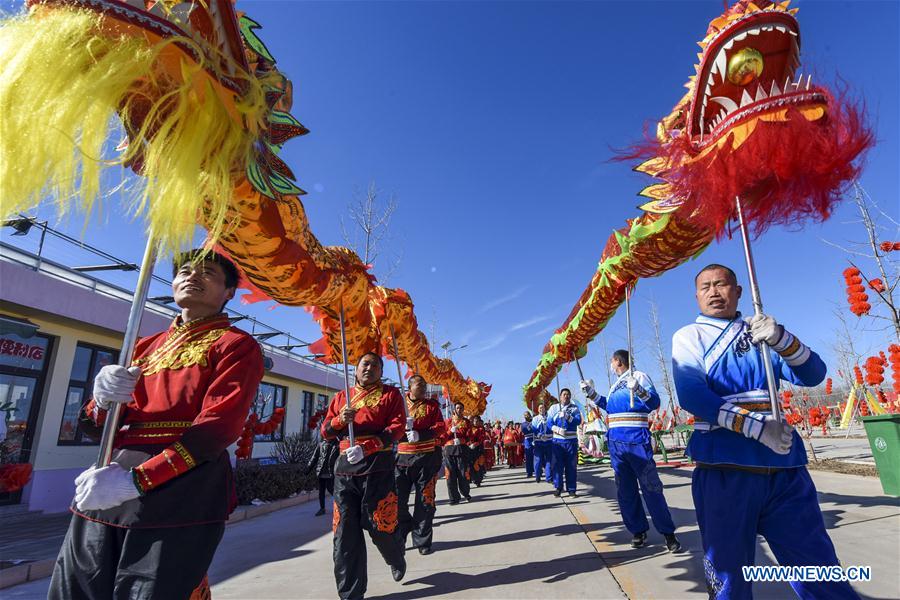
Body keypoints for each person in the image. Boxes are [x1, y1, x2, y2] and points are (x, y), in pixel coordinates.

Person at [50, 250, 264, 599]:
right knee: (76, 588)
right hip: (109, 480)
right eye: (185, 270)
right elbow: (95, 426)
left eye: (208, 272)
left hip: (184, 484)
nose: (192, 276)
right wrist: (101, 401)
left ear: (229, 293)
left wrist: (139, 480)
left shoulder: (236, 346)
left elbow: (216, 428)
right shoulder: (144, 346)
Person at [672, 264, 857, 599]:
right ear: (697, 296)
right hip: (725, 471)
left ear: (739, 291)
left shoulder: (762, 331)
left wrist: (781, 338)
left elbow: (813, 375)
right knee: (729, 578)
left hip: (785, 472)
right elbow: (691, 394)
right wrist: (756, 428)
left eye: (722, 284)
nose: (714, 292)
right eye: (706, 287)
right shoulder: (689, 337)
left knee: (820, 570)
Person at [321, 352, 407, 599]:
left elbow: (397, 427)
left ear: (381, 371)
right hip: (345, 471)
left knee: (381, 526)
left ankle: (396, 556)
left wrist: (368, 447)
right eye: (364, 364)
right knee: (344, 533)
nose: (369, 368)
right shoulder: (341, 397)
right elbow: (324, 432)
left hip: (377, 469)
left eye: (375, 365)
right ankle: (351, 593)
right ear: (355, 369)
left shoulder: (391, 395)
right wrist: (339, 420)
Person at [581, 350, 681, 552]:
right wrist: (591, 394)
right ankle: (638, 530)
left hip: (636, 439)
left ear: (618, 361)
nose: (610, 364)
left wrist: (640, 390)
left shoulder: (638, 376)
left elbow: (654, 403)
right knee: (625, 490)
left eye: (611, 361)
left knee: (651, 487)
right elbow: (609, 406)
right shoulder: (615, 385)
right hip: (616, 443)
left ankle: (668, 533)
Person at [395, 375, 446, 556]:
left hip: (425, 459)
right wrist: (402, 429)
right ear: (410, 386)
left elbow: (441, 427)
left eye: (425, 385)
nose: (424, 387)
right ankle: (403, 529)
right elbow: (389, 428)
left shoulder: (432, 406)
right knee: (396, 501)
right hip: (402, 461)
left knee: (425, 501)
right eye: (419, 384)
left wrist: (422, 434)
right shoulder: (399, 406)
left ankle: (422, 540)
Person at [546, 388, 581, 497]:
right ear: (560, 396)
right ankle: (558, 487)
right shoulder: (553, 408)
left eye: (568, 394)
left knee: (571, 466)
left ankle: (571, 489)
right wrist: (556, 429)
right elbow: (549, 423)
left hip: (571, 442)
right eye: (564, 394)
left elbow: (578, 421)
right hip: (558, 442)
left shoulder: (574, 408)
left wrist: (567, 416)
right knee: (557, 466)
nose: (566, 396)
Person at [443, 401, 471, 505]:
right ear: (454, 409)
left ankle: (465, 493)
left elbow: (469, 436)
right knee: (450, 476)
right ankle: (454, 498)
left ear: (463, 410)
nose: (459, 410)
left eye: (461, 408)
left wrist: (462, 439)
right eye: (457, 408)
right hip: (449, 451)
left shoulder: (467, 422)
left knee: (463, 474)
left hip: (462, 450)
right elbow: (442, 436)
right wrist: (450, 431)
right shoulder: (448, 422)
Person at [307, 437, 339, 516]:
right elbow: (314, 457)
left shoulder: (337, 445)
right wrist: (308, 468)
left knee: (331, 490)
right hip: (321, 472)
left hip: (330, 472)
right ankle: (322, 508)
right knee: (321, 492)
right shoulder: (321, 444)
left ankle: (341, 506)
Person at [531, 401, 553, 483]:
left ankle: (549, 478)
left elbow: (552, 427)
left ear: (545, 409)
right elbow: (534, 429)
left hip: (549, 442)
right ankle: (537, 475)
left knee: (549, 461)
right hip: (539, 442)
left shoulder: (549, 418)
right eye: (540, 408)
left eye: (543, 407)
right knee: (538, 460)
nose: (541, 409)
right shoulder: (535, 418)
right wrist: (540, 435)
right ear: (537, 409)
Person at [468, 416, 487, 487]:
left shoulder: (481, 429)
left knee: (478, 464)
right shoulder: (470, 428)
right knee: (470, 464)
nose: (475, 422)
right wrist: (468, 444)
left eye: (477, 421)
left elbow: (481, 439)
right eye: (474, 421)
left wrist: (475, 444)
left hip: (478, 448)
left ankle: (478, 480)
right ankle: (471, 478)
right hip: (470, 448)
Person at [521, 411, 536, 479]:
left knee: (536, 456)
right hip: (528, 441)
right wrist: (531, 424)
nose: (526, 416)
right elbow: (526, 430)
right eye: (525, 415)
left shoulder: (534, 421)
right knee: (529, 457)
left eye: (527, 415)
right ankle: (529, 472)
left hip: (535, 439)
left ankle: (537, 471)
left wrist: (534, 420)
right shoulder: (523, 424)